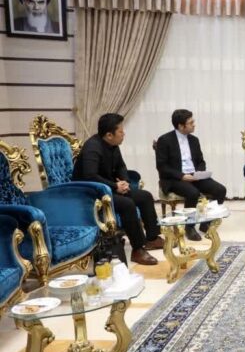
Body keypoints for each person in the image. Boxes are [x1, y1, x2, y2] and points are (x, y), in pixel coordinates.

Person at [73, 113, 163, 265]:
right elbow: (90, 176)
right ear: (109, 135)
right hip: (91, 193)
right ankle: (138, 249)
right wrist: (115, 186)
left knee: (145, 196)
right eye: (121, 131)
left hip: (109, 188)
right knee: (127, 204)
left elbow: (121, 166)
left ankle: (152, 239)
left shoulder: (113, 145)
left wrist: (125, 182)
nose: (124, 134)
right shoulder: (92, 147)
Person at [155, 109, 227, 241]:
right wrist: (182, 176)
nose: (194, 125)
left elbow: (201, 161)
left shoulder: (194, 140)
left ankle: (206, 224)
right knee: (193, 193)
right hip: (175, 178)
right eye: (191, 123)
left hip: (194, 176)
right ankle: (189, 227)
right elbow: (162, 167)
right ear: (181, 126)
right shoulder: (164, 140)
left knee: (220, 190)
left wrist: (199, 173)